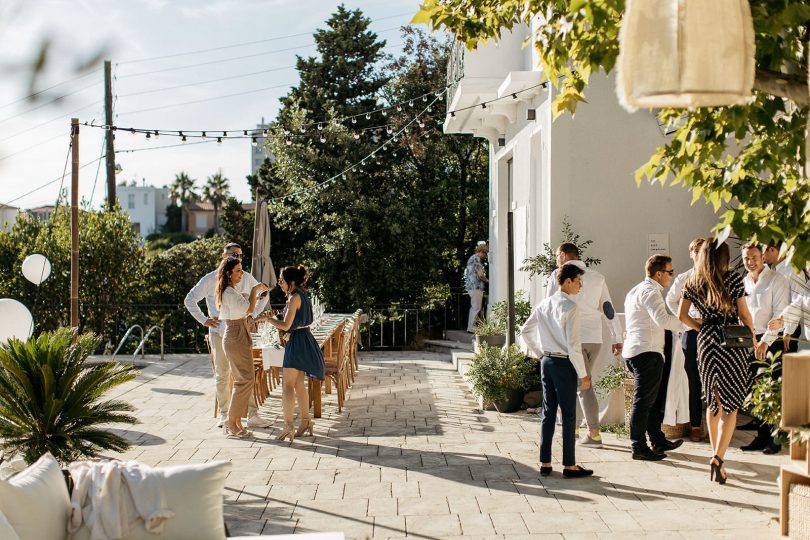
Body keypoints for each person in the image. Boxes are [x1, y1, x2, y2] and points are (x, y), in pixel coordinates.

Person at [678, 239, 762, 484]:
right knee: (730, 405)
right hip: (730, 342)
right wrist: (753, 337)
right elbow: (744, 314)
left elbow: (682, 315)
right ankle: (718, 457)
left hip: (706, 342)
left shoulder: (693, 281)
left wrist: (700, 326)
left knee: (713, 402)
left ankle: (715, 456)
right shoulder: (733, 279)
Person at [184, 243, 271, 429]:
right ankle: (225, 415)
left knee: (245, 374)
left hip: (240, 329)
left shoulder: (246, 277)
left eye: (240, 255)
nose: (237, 258)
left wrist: (252, 316)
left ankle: (252, 414)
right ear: (223, 256)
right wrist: (204, 320)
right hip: (218, 331)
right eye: (233, 254)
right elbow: (189, 299)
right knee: (223, 374)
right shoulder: (210, 279)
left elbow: (264, 296)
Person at [547, 243, 623, 448]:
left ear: (563, 255)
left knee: (582, 385)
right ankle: (574, 428)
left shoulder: (558, 274)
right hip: (595, 339)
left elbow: (550, 307)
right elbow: (608, 308)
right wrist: (617, 336)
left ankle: (593, 433)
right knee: (580, 383)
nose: (556, 259)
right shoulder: (597, 277)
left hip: (572, 338)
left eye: (556, 256)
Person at [521, 263, 593, 478]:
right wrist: (583, 373)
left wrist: (540, 353)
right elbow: (573, 345)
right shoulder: (571, 308)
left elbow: (525, 331)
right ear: (568, 281)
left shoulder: (544, 304)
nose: (581, 285)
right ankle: (569, 465)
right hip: (564, 364)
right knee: (569, 414)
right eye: (578, 281)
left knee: (548, 412)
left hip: (547, 362)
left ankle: (545, 462)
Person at [623, 255, 685, 461]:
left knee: (650, 400)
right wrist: (689, 324)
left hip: (636, 350)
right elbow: (663, 320)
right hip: (646, 352)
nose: (672, 276)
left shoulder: (635, 290)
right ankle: (638, 446)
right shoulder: (651, 292)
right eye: (670, 272)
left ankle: (658, 440)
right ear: (658, 274)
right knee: (643, 402)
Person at [264, 266, 326, 443]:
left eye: (282, 281)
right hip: (304, 339)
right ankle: (306, 421)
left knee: (287, 386)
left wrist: (267, 319)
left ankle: (288, 426)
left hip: (298, 342)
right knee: (299, 383)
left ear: (290, 282)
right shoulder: (303, 295)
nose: (280, 284)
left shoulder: (294, 298)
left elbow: (285, 326)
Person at [740, 242, 789, 454]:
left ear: (762, 256)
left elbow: (779, 314)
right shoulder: (744, 282)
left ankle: (774, 439)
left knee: (773, 389)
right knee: (756, 391)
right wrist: (751, 339)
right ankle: (760, 436)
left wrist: (765, 341)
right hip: (751, 339)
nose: (750, 262)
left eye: (753, 257)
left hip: (772, 340)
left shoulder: (777, 280)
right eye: (746, 259)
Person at [215, 256, 269, 438]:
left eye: (241, 270)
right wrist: (254, 290)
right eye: (238, 271)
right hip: (235, 334)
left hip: (238, 333)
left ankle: (236, 422)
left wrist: (251, 294)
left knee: (244, 379)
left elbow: (245, 308)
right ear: (229, 273)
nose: (242, 274)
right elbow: (248, 309)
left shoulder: (232, 291)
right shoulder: (229, 292)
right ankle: (231, 421)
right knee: (244, 380)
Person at [666, 238, 706, 442]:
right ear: (691, 254)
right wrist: (685, 321)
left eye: (703, 250)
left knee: (712, 379)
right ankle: (696, 426)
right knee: (693, 379)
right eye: (696, 251)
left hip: (711, 330)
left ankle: (715, 423)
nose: (699, 253)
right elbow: (671, 300)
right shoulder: (684, 278)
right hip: (691, 332)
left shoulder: (716, 276)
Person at [464, 242, 489, 333]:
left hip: (471, 287)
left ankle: (471, 327)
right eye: (485, 253)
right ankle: (471, 328)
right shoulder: (476, 259)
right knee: (476, 308)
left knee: (474, 307)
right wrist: (488, 281)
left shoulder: (471, 258)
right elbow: (480, 275)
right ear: (482, 251)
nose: (485, 256)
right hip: (476, 287)